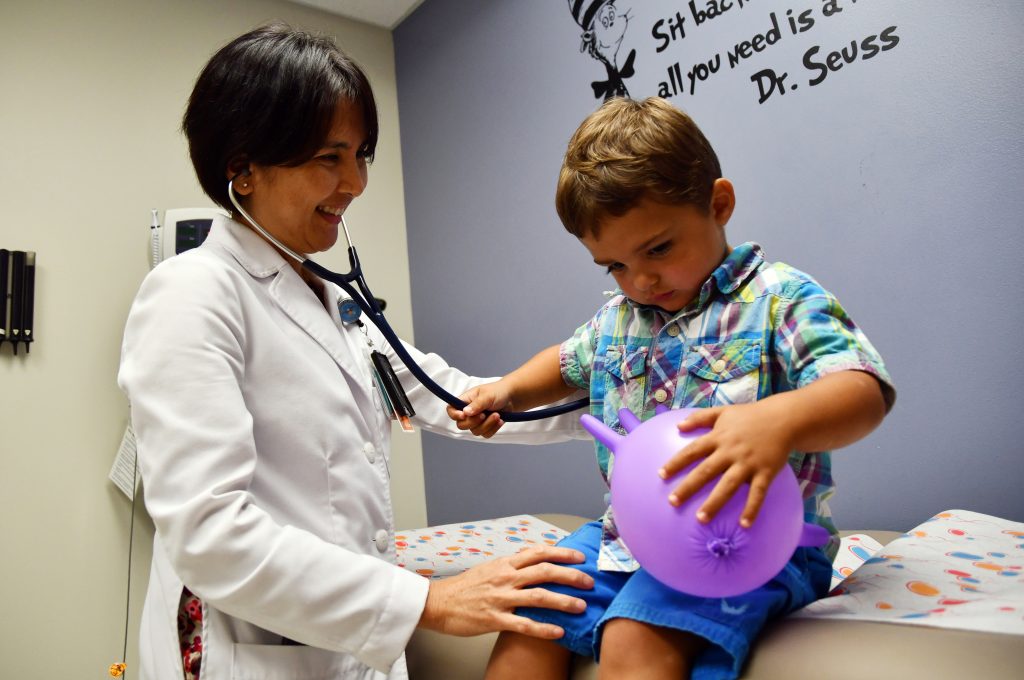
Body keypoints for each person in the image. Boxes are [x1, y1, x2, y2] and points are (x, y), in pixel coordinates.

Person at [117, 24, 595, 680]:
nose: (356, 182)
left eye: (361, 154)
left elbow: (461, 399)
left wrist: (618, 400)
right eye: (329, 157)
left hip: (348, 651)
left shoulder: (336, 305)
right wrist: (430, 600)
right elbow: (210, 537)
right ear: (243, 168)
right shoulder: (193, 293)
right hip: (253, 652)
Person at [448, 96, 896, 679]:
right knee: (529, 612)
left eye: (657, 249)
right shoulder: (619, 319)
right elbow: (564, 362)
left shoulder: (780, 298)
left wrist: (777, 421)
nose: (640, 280)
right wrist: (506, 392)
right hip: (629, 537)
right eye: (614, 266)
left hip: (748, 546)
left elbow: (863, 388)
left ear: (719, 204)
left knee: (634, 637)